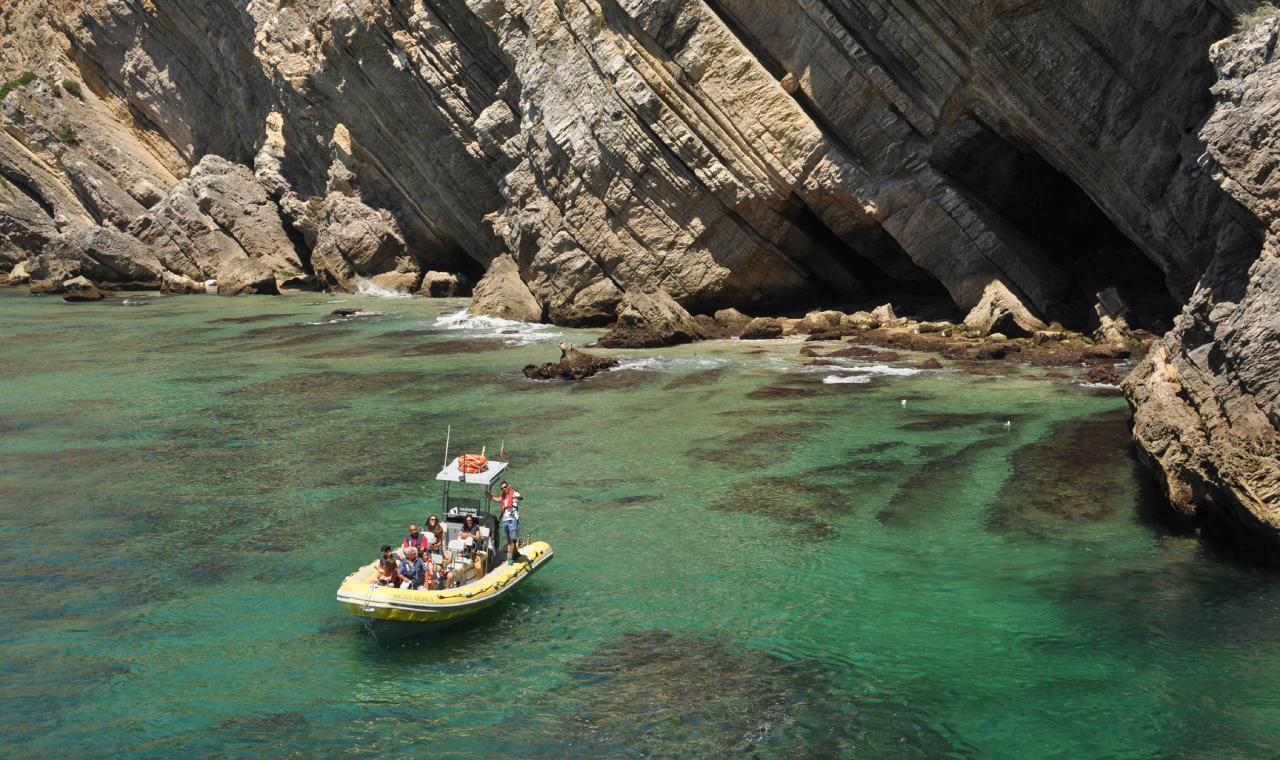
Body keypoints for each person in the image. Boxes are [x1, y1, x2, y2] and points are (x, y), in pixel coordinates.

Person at [490, 481, 522, 565]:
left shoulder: (514, 493)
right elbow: (497, 500)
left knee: (512, 539)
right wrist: (490, 496)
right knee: (509, 540)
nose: (504, 488)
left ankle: (510, 557)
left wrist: (517, 497)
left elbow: (521, 497)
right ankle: (516, 553)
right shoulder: (503, 496)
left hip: (513, 519)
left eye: (505, 486)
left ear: (508, 486)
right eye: (502, 488)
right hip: (505, 520)